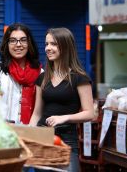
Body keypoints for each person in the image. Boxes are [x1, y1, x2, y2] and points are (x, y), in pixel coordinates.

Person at [29, 27, 94, 172]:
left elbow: (90, 113)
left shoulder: (79, 78)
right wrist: (28, 135)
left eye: (53, 44)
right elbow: (37, 113)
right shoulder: (42, 78)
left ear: (65, 46)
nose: (48, 48)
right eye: (46, 44)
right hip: (43, 139)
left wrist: (64, 118)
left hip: (67, 139)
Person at [0, 23, 41, 124]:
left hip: (29, 132)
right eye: (13, 41)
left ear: (29, 43)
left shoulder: (40, 73)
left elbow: (40, 111)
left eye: (23, 40)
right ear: (7, 44)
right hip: (1, 130)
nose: (18, 44)